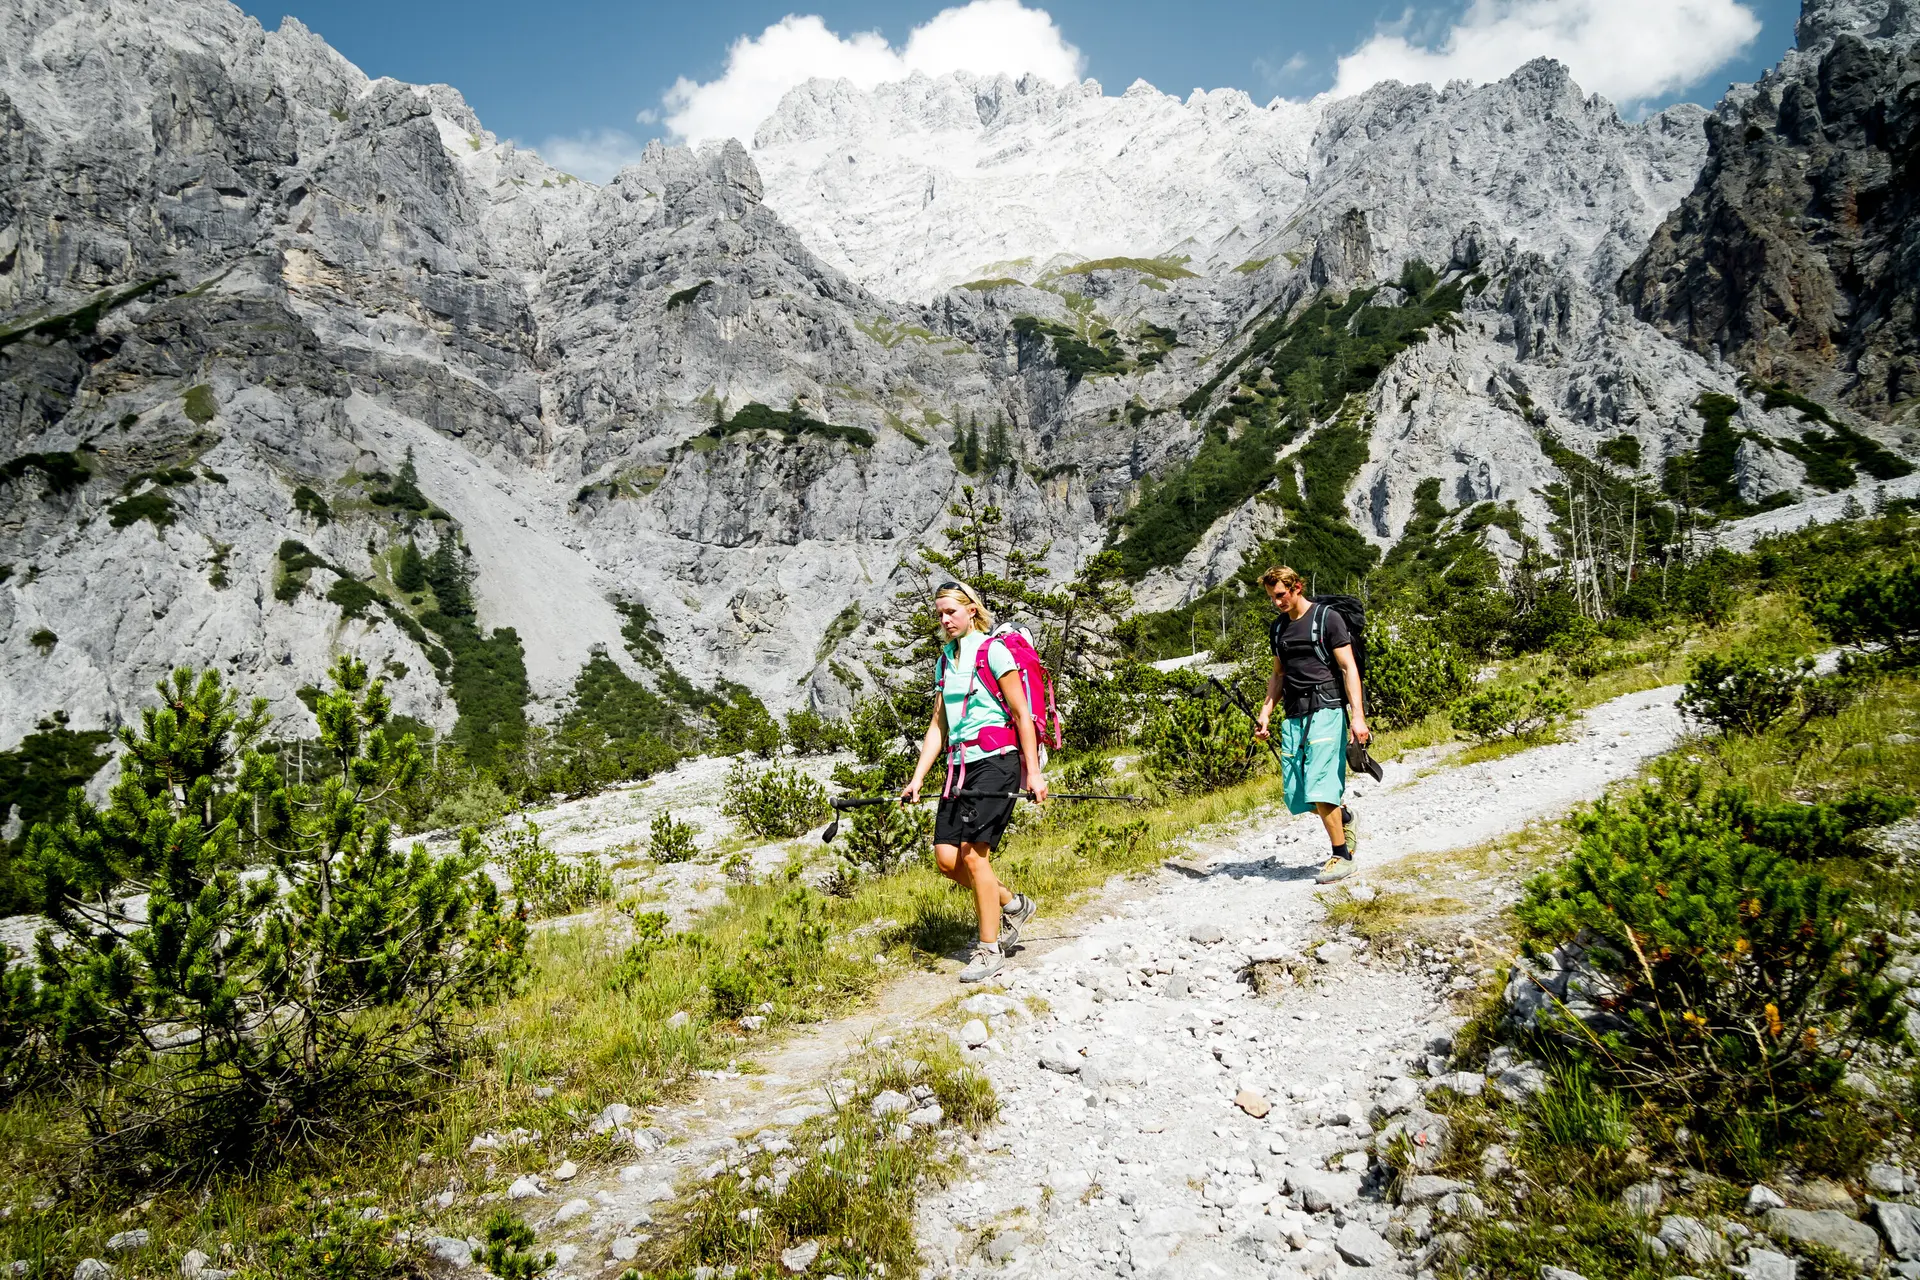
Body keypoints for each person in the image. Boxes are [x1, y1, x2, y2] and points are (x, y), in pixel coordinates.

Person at [901, 581, 1045, 983]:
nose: (945, 620)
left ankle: (988, 947)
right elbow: (938, 725)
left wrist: (1032, 772)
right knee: (947, 861)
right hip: (959, 765)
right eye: (940, 614)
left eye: (951, 612)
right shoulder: (944, 660)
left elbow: (1022, 714)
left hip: (997, 762)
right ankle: (1014, 905)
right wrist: (917, 779)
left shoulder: (993, 651)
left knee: (974, 856)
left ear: (971, 611)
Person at [1252, 565, 1371, 883]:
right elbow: (1278, 674)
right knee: (1297, 793)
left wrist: (1357, 716)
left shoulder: (1326, 619)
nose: (1277, 602)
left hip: (1326, 708)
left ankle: (1341, 856)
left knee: (1320, 783)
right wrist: (1266, 712)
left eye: (1281, 595)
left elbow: (1348, 669)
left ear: (1297, 587)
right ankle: (1344, 816)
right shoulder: (1278, 630)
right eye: (1272, 598)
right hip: (1294, 713)